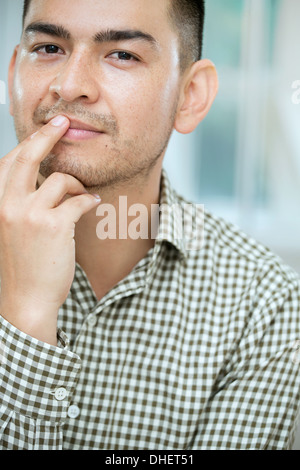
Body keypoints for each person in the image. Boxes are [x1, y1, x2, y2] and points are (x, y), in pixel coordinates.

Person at [0, 0, 299, 451]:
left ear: (190, 96)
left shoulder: (263, 304)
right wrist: (25, 312)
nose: (70, 85)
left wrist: (26, 317)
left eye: (123, 54)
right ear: (13, 73)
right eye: (48, 48)